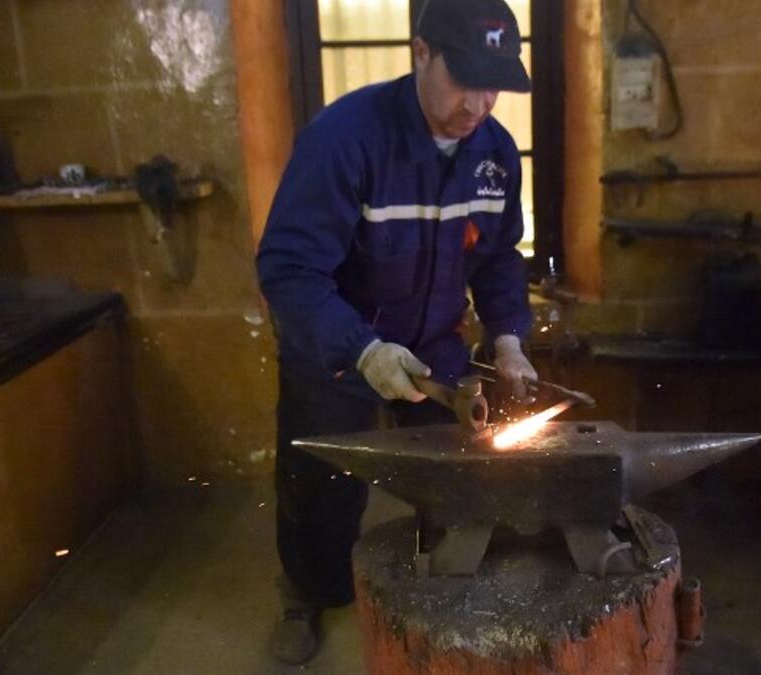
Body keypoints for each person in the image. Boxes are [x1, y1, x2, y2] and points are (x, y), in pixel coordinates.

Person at [255, 0, 537, 664]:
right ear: (420, 54)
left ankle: (447, 590)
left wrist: (508, 341)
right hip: (334, 349)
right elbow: (289, 268)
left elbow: (497, 257)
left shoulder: (493, 152)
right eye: (465, 78)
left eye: (494, 83)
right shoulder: (344, 138)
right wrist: (361, 348)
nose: (479, 103)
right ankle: (309, 592)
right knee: (318, 491)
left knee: (457, 474)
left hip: (433, 342)